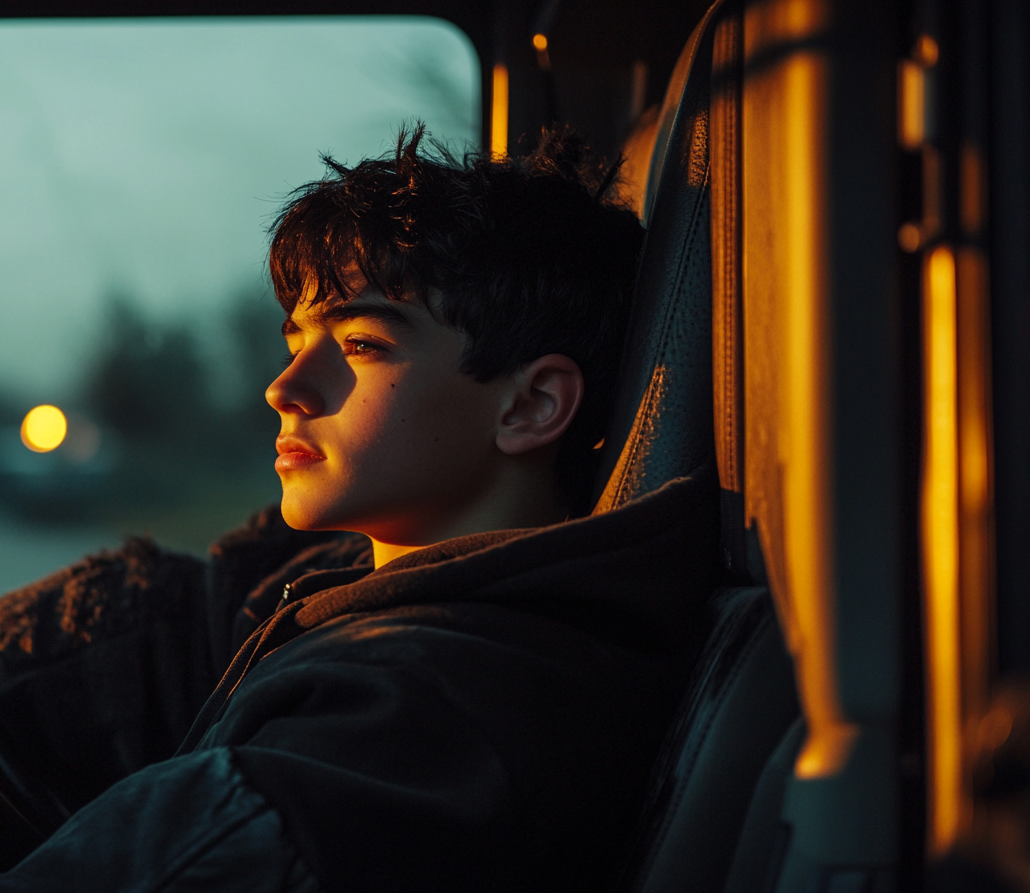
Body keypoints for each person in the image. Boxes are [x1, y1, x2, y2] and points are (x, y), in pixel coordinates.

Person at [0, 125, 717, 891]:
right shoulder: (366, 585)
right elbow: (171, 620)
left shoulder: (421, 718)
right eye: (297, 338)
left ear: (532, 404)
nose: (285, 388)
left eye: (363, 344)